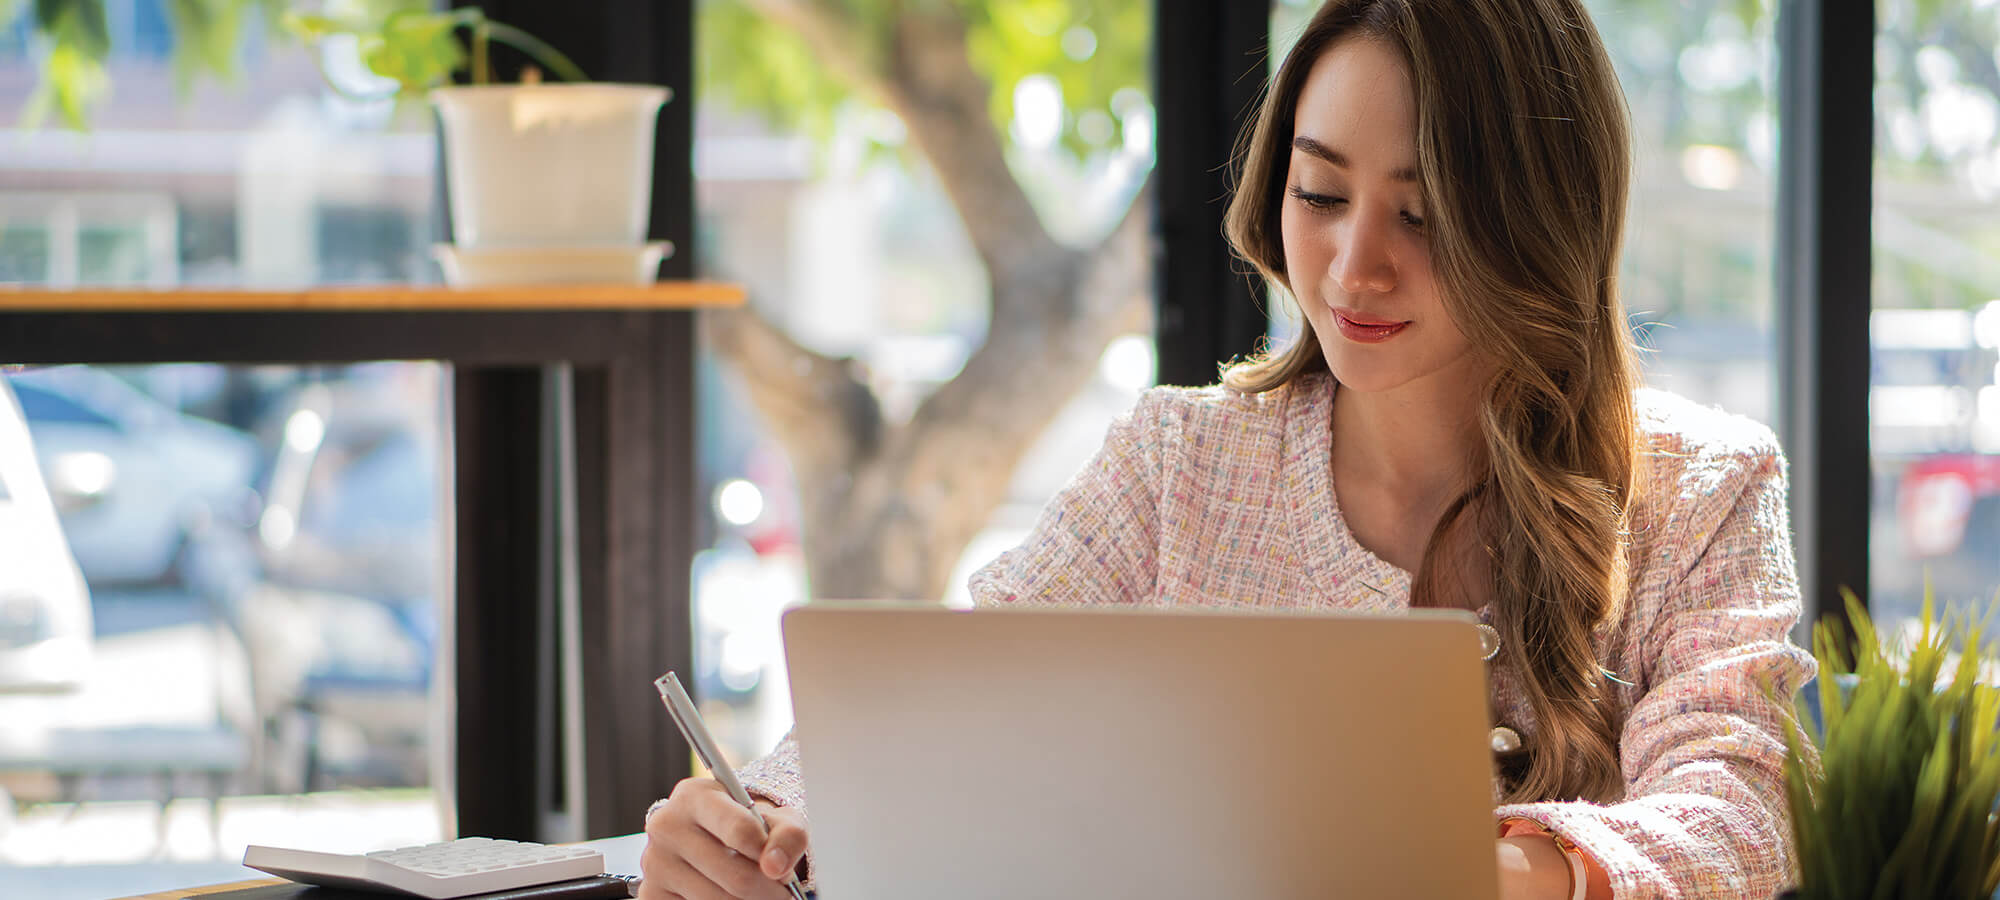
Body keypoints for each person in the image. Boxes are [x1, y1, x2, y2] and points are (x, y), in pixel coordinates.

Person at [639, 0, 1815, 896]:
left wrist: (1493, 871)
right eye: (1319, 194)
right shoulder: (1178, 463)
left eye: (1423, 214)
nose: (1354, 269)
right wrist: (768, 816)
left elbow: (1744, 814)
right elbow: (947, 707)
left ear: (1540, 218)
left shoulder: (1702, 487)